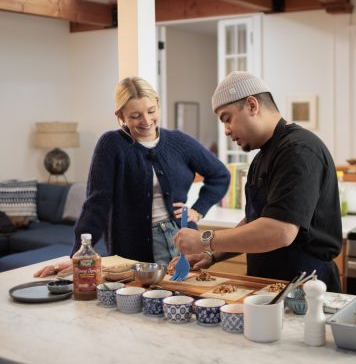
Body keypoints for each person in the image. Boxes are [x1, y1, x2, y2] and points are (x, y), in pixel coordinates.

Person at [34, 76, 230, 277]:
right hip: (132, 245)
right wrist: (78, 255)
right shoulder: (111, 145)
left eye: (151, 111)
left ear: (158, 105)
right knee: (138, 302)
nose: (146, 121)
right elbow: (96, 204)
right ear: (120, 115)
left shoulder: (179, 142)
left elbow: (220, 175)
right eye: (136, 115)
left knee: (182, 301)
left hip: (184, 240)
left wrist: (198, 210)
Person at [173, 71, 343, 292]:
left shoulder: (298, 150)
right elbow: (259, 218)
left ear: (252, 105)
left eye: (227, 118)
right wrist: (211, 254)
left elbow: (279, 230)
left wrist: (205, 239)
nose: (225, 130)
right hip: (270, 286)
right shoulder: (263, 156)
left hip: (304, 290)